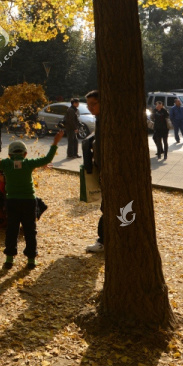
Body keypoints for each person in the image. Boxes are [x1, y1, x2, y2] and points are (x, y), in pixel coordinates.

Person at [0, 131, 64, 270]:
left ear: (9, 155)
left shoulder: (5, 163)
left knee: (12, 229)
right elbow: (47, 159)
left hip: (12, 201)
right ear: (25, 154)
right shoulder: (29, 163)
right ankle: (31, 260)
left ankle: (9, 259)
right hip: (29, 201)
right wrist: (55, 143)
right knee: (30, 230)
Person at [83, 90, 104, 253]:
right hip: (102, 169)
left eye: (93, 104)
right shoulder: (98, 119)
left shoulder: (106, 119)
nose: (90, 108)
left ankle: (102, 240)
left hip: (108, 170)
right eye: (88, 105)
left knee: (107, 208)